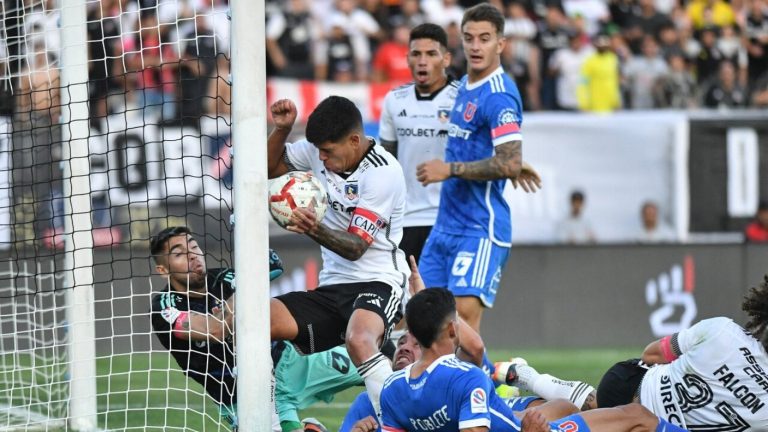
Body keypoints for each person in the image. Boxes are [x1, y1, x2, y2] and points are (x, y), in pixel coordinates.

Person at [267, 95, 408, 418]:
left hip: (379, 281)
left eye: (328, 152)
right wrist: (282, 130)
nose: (321, 159)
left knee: (358, 340)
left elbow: (356, 247)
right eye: (318, 151)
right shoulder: (319, 152)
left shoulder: (383, 173)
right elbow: (268, 166)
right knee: (255, 322)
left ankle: (399, 420)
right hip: (332, 287)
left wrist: (312, 228)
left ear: (355, 140)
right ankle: (267, 418)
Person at [374, 288, 687, 432]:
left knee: (566, 407)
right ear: (454, 329)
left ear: (411, 331)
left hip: (521, 421)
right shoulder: (466, 378)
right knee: (637, 415)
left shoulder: (392, 387)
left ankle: (522, 381)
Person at [495, 274, 768, 430]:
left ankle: (521, 378)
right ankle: (521, 381)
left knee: (587, 405)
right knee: (597, 407)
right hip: (637, 406)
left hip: (631, 384)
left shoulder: (722, 330)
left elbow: (651, 354)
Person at [415, 3, 542, 335]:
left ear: (500, 44)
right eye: (469, 38)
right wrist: (510, 164)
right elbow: (504, 158)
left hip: (479, 229)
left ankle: (499, 382)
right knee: (415, 324)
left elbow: (508, 162)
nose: (474, 46)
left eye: (484, 39)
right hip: (445, 228)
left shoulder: (499, 96)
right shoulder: (463, 87)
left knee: (459, 325)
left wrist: (452, 169)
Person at [149, 226, 284, 430]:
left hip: (283, 365)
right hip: (237, 398)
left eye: (193, 247)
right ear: (163, 270)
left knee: (349, 355)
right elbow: (216, 329)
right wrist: (253, 280)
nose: (192, 255)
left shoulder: (225, 278)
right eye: (179, 254)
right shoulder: (165, 306)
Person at [378, 23, 459, 264]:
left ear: (446, 59)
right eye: (416, 54)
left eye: (431, 54)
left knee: (450, 300)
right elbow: (386, 161)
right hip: (407, 220)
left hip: (451, 218)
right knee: (410, 298)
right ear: (407, 59)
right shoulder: (394, 100)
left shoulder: (463, 98)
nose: (422, 61)